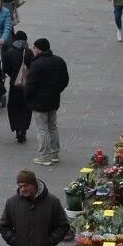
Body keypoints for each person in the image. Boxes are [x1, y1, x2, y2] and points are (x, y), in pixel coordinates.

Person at [25, 37, 70, 166]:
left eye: (34, 48)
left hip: (39, 102)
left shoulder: (36, 64)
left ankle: (45, 156)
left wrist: (28, 98)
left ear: (38, 49)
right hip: (54, 99)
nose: (33, 50)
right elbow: (65, 80)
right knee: (53, 126)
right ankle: (54, 153)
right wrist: (56, 91)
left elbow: (30, 85)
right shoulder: (59, 61)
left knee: (42, 129)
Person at [1, 30, 34, 144]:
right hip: (27, 86)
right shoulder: (29, 52)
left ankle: (17, 129)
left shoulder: (10, 52)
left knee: (14, 107)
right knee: (26, 107)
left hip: (14, 85)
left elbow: (5, 69)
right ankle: (23, 129)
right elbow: (33, 68)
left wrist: (14, 76)